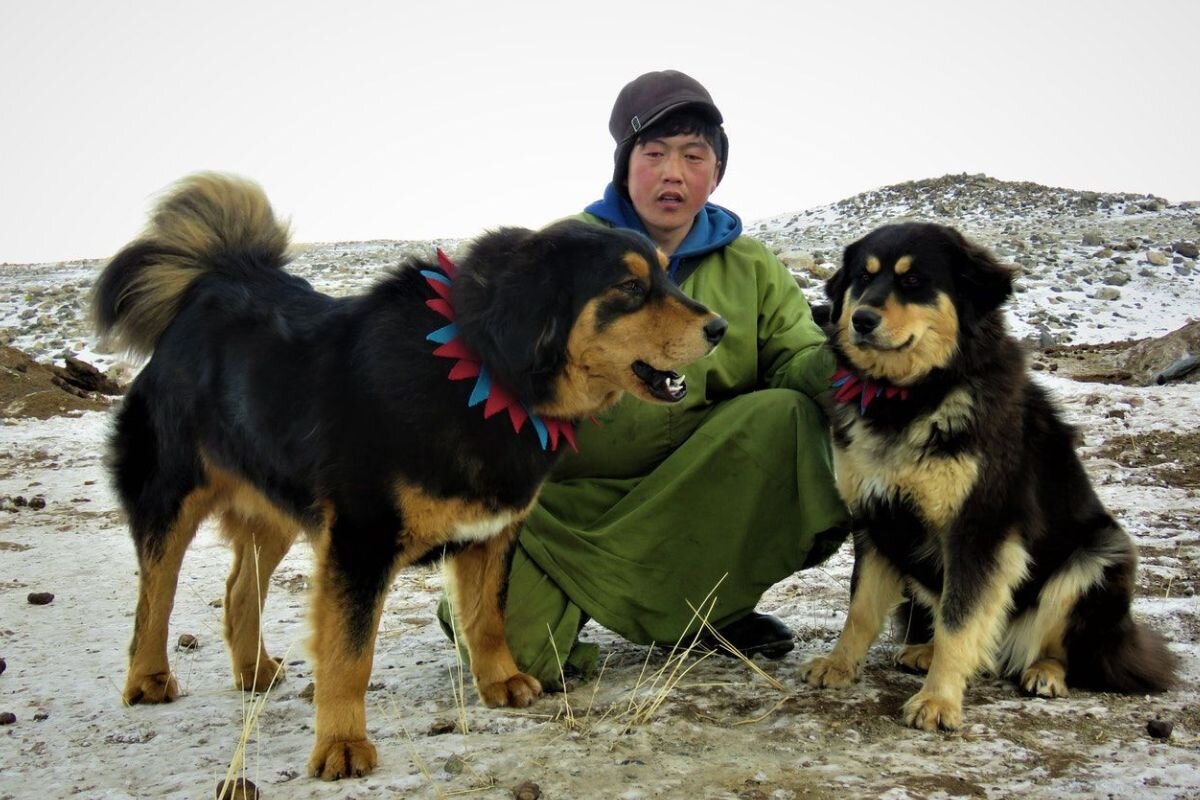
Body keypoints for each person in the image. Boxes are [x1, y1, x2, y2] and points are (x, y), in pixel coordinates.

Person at [438, 69, 848, 686]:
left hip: (695, 495)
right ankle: (575, 590)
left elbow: (798, 362)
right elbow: (493, 377)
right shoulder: (563, 252)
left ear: (717, 171)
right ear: (625, 166)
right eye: (653, 154)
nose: (673, 173)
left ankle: (707, 610)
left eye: (693, 155)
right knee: (512, 653)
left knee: (788, 418)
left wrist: (853, 351)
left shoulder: (752, 266)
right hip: (564, 510)